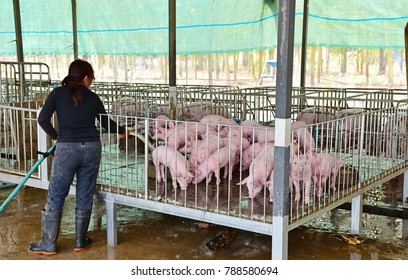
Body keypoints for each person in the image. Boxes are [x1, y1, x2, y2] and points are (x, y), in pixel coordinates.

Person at [28, 59, 128, 255]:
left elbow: (42, 119)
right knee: (84, 193)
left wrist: (58, 138)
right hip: (91, 148)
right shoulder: (93, 97)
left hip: (67, 149)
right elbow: (106, 123)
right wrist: (122, 131)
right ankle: (80, 241)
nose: (91, 82)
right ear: (85, 78)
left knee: (56, 195)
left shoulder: (57, 93)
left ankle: (48, 244)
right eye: (91, 78)